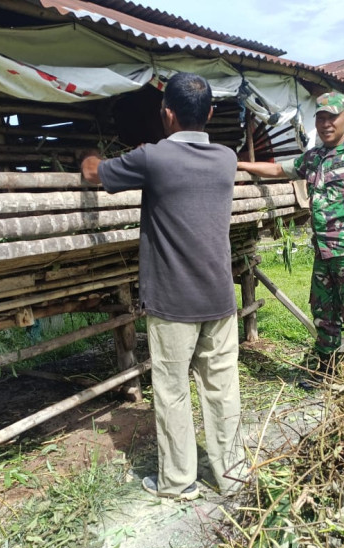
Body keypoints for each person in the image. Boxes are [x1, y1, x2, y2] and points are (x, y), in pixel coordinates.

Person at [81, 72, 244, 500]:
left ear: (166, 114)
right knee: (222, 390)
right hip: (220, 298)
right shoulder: (226, 159)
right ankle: (232, 476)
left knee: (172, 392)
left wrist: (89, 153)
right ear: (210, 114)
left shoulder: (152, 159)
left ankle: (178, 482)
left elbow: (94, 174)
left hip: (172, 302)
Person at [237, 91, 344, 380]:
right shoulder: (314, 158)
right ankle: (327, 371)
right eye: (321, 118)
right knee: (324, 313)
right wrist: (239, 165)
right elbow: (279, 168)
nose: (326, 123)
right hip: (323, 254)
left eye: (333, 117)